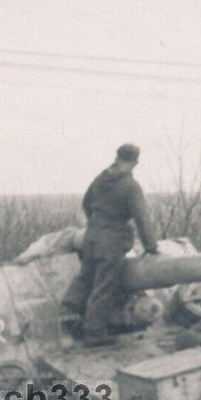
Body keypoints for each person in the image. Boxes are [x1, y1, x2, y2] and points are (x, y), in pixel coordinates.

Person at [62, 143, 158, 346]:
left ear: (117, 156)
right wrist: (151, 246)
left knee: (85, 277)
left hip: (92, 236)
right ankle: (94, 333)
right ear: (135, 162)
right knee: (104, 286)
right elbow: (142, 218)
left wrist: (96, 223)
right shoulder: (130, 185)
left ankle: (67, 313)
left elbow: (87, 203)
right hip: (112, 240)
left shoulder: (101, 178)